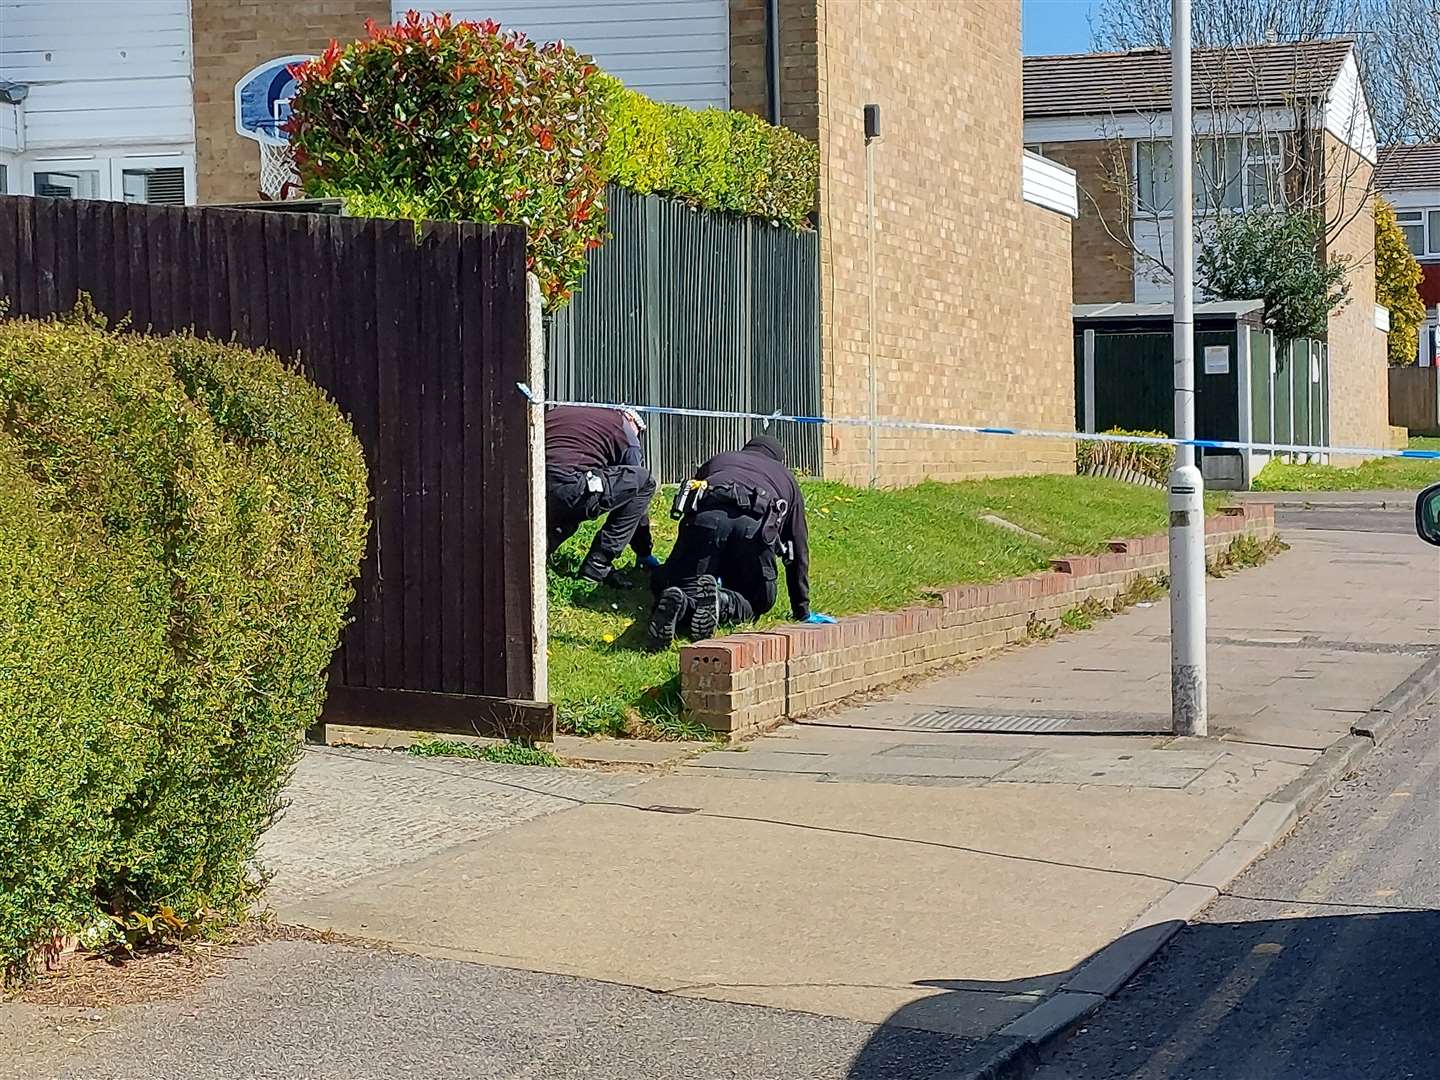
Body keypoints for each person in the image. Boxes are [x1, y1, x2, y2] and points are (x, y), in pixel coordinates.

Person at [648, 433, 834, 647]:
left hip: (706, 520)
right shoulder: (786, 477)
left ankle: (680, 603)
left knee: (681, 583)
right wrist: (802, 610)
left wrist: (674, 569)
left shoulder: (720, 459)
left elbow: (693, 503)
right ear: (777, 459)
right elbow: (798, 548)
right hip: (754, 530)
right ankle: (721, 603)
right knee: (758, 600)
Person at [545, 405, 658, 585]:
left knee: (568, 515)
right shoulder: (625, 430)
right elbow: (636, 492)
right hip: (568, 486)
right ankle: (598, 565)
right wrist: (644, 550)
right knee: (644, 480)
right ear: (632, 420)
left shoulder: (566, 412)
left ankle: (534, 555)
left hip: (531, 485)